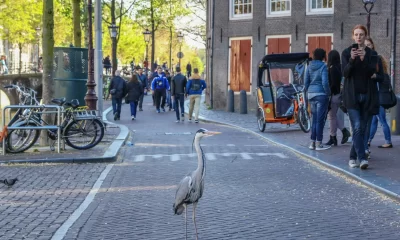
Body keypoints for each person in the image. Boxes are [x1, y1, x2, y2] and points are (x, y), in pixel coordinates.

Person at [341, 25, 379, 169]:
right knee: (356, 126)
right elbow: (345, 73)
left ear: (365, 36)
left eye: (361, 34)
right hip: (352, 96)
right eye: (356, 34)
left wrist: (363, 59)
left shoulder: (372, 54)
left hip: (366, 96)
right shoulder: (346, 52)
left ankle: (352, 157)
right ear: (353, 36)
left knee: (362, 129)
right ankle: (362, 158)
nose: (359, 37)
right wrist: (352, 59)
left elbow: (371, 73)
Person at [365, 37, 392, 149]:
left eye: (369, 45)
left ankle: (388, 141)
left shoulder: (379, 72)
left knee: (381, 120)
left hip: (378, 98)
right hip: (380, 98)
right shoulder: (386, 74)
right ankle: (369, 140)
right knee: (375, 121)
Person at [305, 48, 331, 151]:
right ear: (323, 56)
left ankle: (312, 143)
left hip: (311, 94)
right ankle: (319, 143)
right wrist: (328, 93)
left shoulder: (309, 66)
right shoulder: (323, 66)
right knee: (320, 120)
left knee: (314, 119)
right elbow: (325, 82)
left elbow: (306, 82)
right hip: (321, 95)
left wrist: (309, 91)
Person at [325, 50, 351, 146]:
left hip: (333, 95)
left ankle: (335, 136)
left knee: (331, 117)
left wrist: (329, 93)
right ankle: (336, 136)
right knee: (334, 116)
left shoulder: (332, 68)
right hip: (339, 94)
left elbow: (333, 84)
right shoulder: (339, 67)